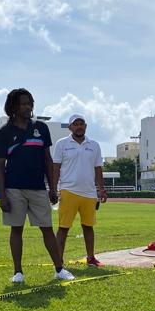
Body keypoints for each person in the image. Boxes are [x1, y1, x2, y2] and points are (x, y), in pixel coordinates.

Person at [0, 88, 74, 284]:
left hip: (38, 187)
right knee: (16, 229)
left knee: (47, 228)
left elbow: (47, 160)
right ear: (13, 106)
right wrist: (2, 196)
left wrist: (52, 188)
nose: (28, 107)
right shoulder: (4, 133)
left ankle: (59, 269)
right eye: (23, 103)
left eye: (30, 103)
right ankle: (18, 272)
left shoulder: (41, 128)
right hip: (14, 188)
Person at [52, 113, 106, 266]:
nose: (79, 126)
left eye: (81, 124)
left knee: (88, 226)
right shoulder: (61, 144)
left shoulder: (94, 145)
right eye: (75, 124)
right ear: (70, 127)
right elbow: (56, 167)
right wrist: (54, 189)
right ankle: (58, 261)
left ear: (86, 126)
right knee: (63, 228)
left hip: (89, 193)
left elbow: (98, 168)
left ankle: (91, 258)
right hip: (68, 191)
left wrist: (101, 189)